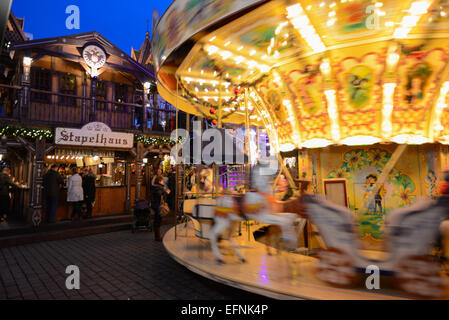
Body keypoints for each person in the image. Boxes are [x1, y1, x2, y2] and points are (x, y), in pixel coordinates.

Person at [151, 176, 170, 241]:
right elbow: (159, 195)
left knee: (157, 220)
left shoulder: (156, 187)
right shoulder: (158, 188)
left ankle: (157, 235)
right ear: (159, 181)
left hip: (156, 205)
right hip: (158, 206)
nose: (163, 182)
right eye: (162, 180)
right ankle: (157, 237)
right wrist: (165, 192)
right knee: (158, 220)